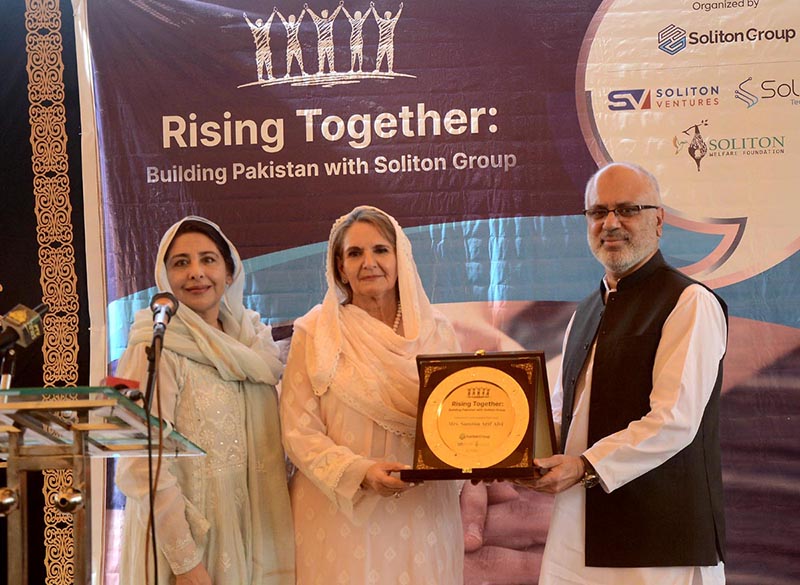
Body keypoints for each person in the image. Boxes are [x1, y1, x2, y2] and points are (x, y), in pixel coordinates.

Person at [530, 162, 727, 584]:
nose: (611, 223)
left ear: (658, 221)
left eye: (627, 209)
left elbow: (674, 420)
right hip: (577, 533)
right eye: (598, 212)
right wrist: (513, 449)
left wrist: (583, 466)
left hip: (657, 537)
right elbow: (568, 416)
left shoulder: (688, 302)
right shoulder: (585, 312)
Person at [280, 205, 464, 584]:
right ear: (340, 267)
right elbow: (299, 432)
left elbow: (461, 422)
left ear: (401, 258)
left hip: (423, 513)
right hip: (339, 513)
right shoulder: (315, 333)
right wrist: (360, 472)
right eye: (355, 253)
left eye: (381, 250)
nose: (369, 262)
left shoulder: (439, 334)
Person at [115, 216, 294, 584]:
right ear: (165, 278)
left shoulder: (252, 342)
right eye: (181, 263)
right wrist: (186, 561)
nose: (196, 273)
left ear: (230, 273)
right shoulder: (154, 343)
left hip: (253, 530)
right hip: (188, 540)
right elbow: (140, 463)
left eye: (208, 260)